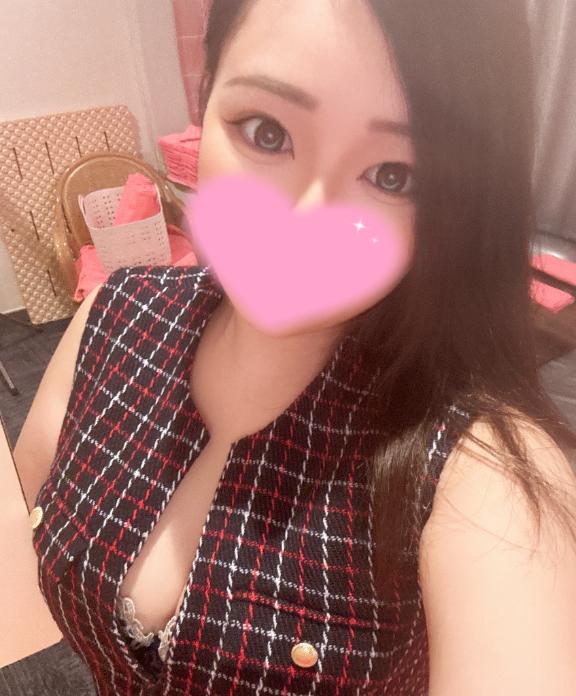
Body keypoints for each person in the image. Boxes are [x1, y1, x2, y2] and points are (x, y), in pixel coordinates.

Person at [14, 0, 576, 694]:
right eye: (267, 132)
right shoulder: (115, 315)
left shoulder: (480, 473)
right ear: (205, 101)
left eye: (394, 176)